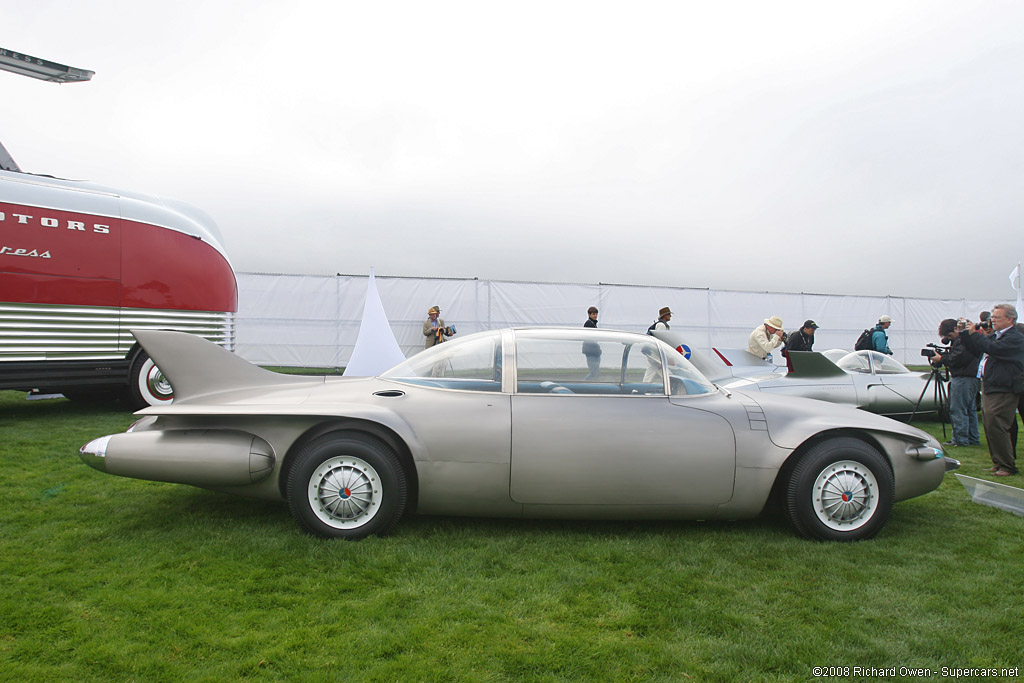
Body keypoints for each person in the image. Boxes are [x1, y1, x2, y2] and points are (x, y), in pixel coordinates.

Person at [961, 304, 1024, 476]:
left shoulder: (1015, 338)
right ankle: (998, 462)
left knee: (998, 424)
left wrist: (977, 334)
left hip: (1004, 387)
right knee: (990, 425)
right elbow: (977, 349)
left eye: (997, 317)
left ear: (1010, 319)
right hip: (991, 385)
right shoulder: (996, 336)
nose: (992, 320)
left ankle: (1007, 465)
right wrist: (965, 334)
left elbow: (993, 349)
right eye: (993, 317)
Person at [931, 319, 981, 447]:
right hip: (971, 377)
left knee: (958, 409)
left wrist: (942, 358)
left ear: (955, 329)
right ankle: (972, 438)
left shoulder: (963, 341)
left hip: (963, 377)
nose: (949, 338)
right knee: (970, 409)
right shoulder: (967, 340)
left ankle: (960, 440)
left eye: (949, 335)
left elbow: (958, 358)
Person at [582, 306, 601, 380]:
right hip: (591, 352)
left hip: (594, 352)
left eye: (596, 314)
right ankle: (584, 385)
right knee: (594, 373)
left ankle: (587, 384)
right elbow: (591, 338)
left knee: (595, 372)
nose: (595, 316)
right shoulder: (589, 324)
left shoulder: (593, 324)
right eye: (593, 314)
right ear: (589, 315)